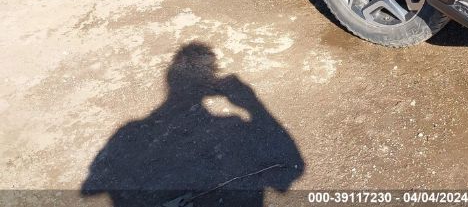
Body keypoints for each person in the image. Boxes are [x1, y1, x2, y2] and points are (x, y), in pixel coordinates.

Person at [82, 42, 303, 206]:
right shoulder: (233, 127)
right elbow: (292, 167)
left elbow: (95, 185)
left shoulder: (129, 132)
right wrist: (254, 105)